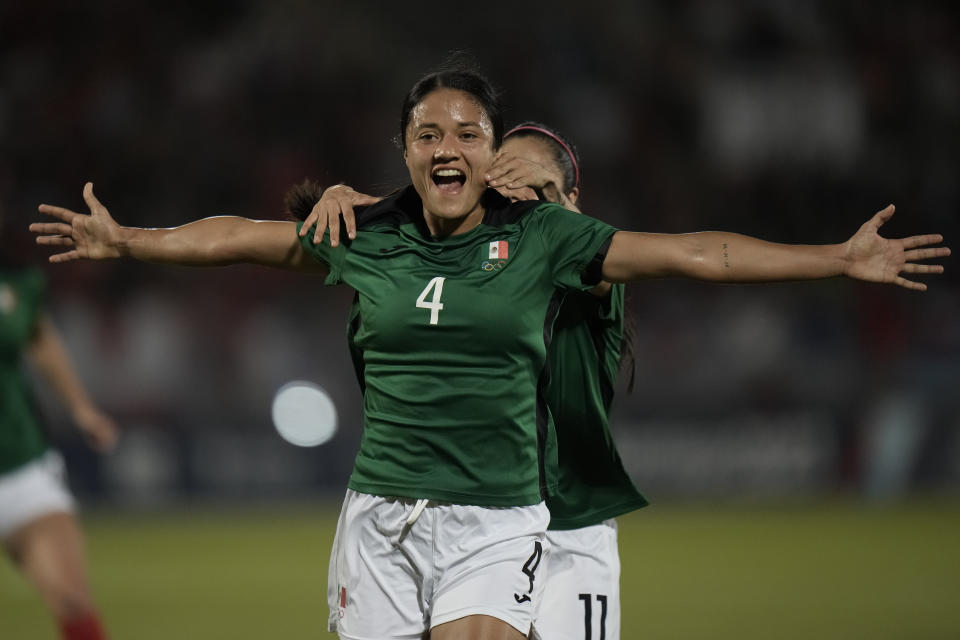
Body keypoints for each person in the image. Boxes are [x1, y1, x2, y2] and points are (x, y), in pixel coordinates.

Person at [30, 63, 948, 640]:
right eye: (431, 133)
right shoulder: (373, 231)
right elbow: (245, 235)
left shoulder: (554, 242)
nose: (456, 149)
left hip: (530, 515)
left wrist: (837, 256)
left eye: (472, 134)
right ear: (405, 148)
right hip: (382, 517)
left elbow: (697, 252)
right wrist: (135, 239)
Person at [302, 120, 646, 640]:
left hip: (571, 519)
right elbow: (421, 212)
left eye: (545, 194)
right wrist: (343, 199)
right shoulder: (473, 261)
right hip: (480, 509)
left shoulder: (585, 257)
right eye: (509, 188)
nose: (527, 204)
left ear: (574, 199)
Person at [1, 216, 117, 640]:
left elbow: (40, 338)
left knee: (72, 599)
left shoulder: (15, 282)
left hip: (20, 466)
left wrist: (81, 408)